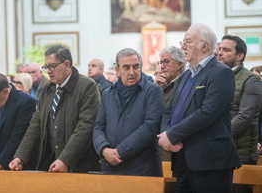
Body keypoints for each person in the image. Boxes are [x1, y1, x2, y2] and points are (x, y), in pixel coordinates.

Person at [158, 23, 241, 192]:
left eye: (188, 41)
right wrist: (167, 135)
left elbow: (208, 112)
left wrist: (172, 135)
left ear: (204, 46)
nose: (182, 46)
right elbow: (169, 109)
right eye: (183, 42)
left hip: (210, 161)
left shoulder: (221, 72)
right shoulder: (186, 76)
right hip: (182, 157)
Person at [9, 45, 100, 173]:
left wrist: (65, 159)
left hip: (79, 164)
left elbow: (85, 126)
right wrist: (20, 156)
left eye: (52, 66)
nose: (48, 71)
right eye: (46, 67)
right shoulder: (47, 88)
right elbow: (36, 125)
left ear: (66, 64)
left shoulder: (87, 86)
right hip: (49, 161)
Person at [93, 48, 164, 176]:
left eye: (136, 67)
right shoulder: (107, 94)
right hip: (111, 169)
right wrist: (104, 149)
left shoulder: (153, 91)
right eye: (126, 67)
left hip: (142, 169)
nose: (132, 72)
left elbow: (150, 127)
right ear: (117, 69)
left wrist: (119, 152)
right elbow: (98, 127)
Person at [217, 35, 262, 193]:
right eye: (220, 48)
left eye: (226, 50)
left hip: (240, 152)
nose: (220, 52)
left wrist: (216, 136)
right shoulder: (215, 76)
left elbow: (245, 117)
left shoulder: (250, 80)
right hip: (217, 149)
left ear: (240, 56)